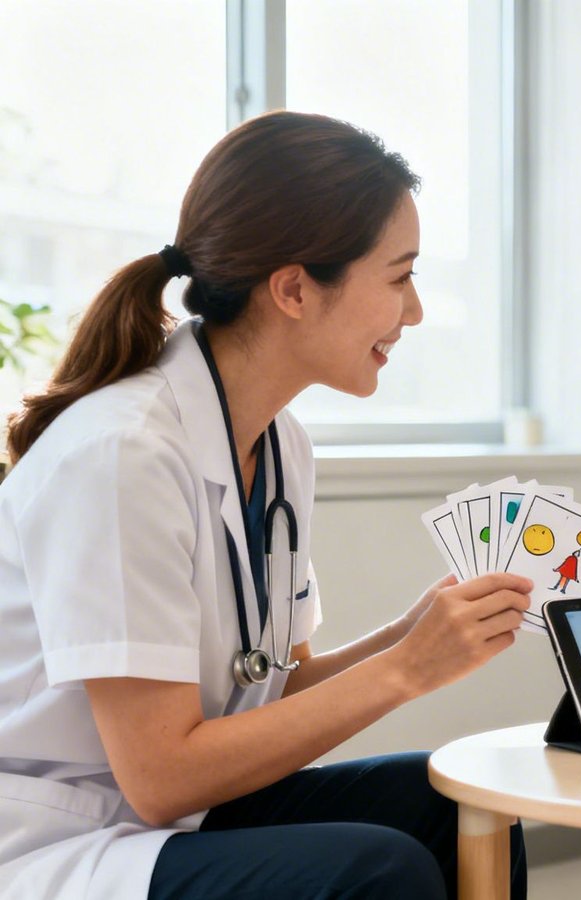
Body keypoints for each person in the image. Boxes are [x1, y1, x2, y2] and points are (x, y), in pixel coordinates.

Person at [0, 111, 534, 899]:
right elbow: (161, 776)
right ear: (292, 288)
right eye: (399, 276)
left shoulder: (279, 443)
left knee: (458, 805)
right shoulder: (121, 454)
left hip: (172, 816)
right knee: (377, 872)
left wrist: (405, 638)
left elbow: (264, 688)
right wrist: (405, 671)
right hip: (60, 837)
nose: (414, 311)